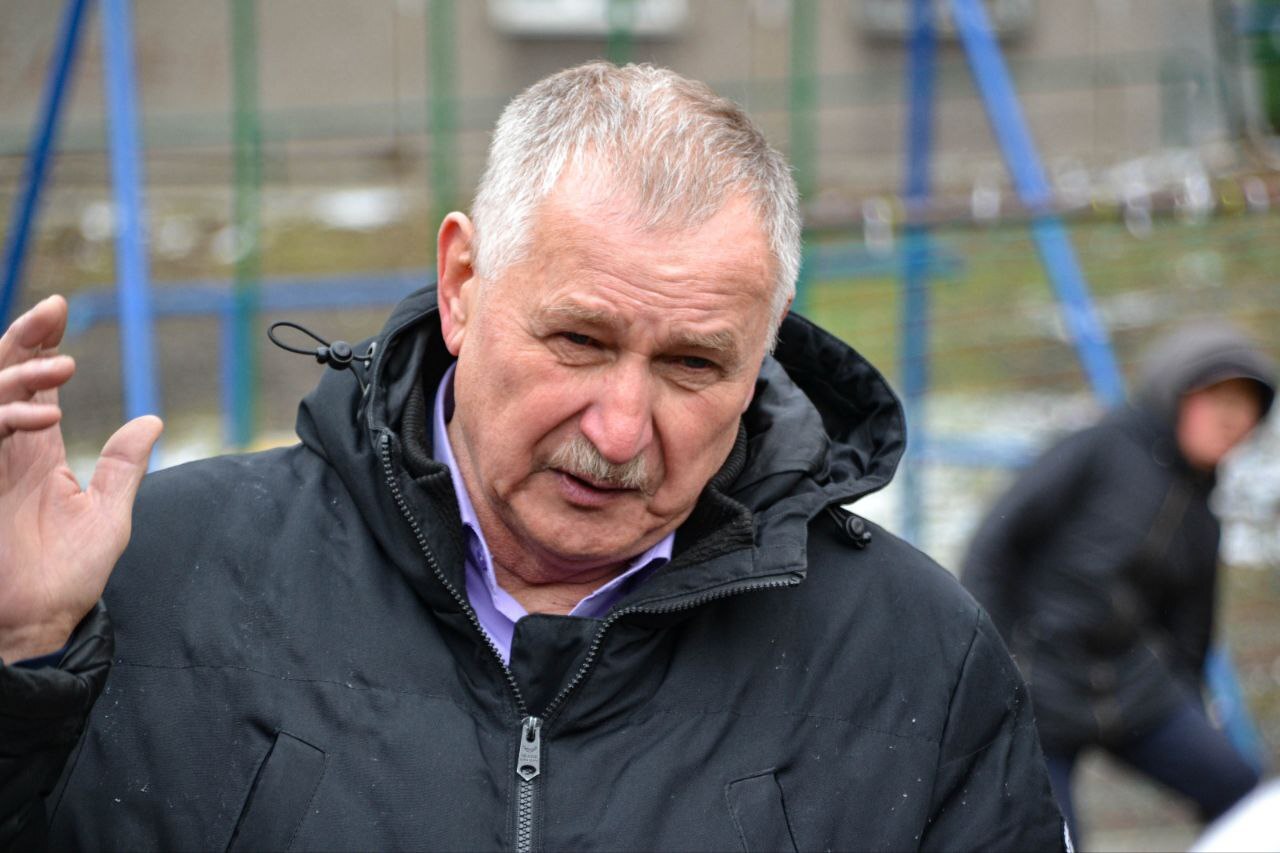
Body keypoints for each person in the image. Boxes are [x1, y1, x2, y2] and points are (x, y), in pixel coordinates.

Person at [1, 62, 1064, 850]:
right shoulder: (147, 578)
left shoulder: (915, 658)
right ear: (462, 285)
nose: (619, 430)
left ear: (762, 354)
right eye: (579, 340)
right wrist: (22, 665)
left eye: (693, 364)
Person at [961, 321, 1275, 842]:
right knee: (1052, 838)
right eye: (1217, 399)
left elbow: (1190, 634)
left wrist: (1188, 712)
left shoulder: (1203, 515)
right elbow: (996, 543)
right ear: (1176, 391)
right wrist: (995, 663)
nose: (1230, 419)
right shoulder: (1100, 449)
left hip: (1132, 691)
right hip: (1039, 684)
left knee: (1245, 797)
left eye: (1245, 408)